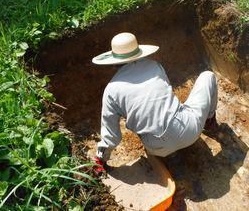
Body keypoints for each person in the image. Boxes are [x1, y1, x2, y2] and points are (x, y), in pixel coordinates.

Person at [91, 32, 218, 173]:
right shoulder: (154, 66)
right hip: (189, 132)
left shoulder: (111, 90)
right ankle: (209, 121)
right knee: (208, 76)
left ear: (114, 61)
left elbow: (111, 135)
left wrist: (100, 159)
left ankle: (168, 152)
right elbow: (167, 93)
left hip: (155, 147)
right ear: (138, 53)